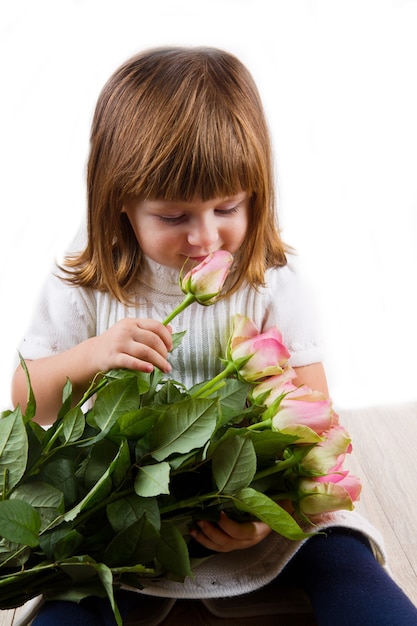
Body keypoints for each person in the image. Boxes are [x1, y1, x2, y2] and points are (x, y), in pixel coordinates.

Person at [11, 47, 417, 626]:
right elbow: (27, 402)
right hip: (129, 510)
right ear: (119, 202)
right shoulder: (87, 284)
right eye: (174, 217)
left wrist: (270, 512)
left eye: (228, 206)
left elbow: (317, 421)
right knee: (78, 596)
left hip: (251, 500)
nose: (205, 237)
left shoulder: (272, 283)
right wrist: (88, 358)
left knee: (342, 557)